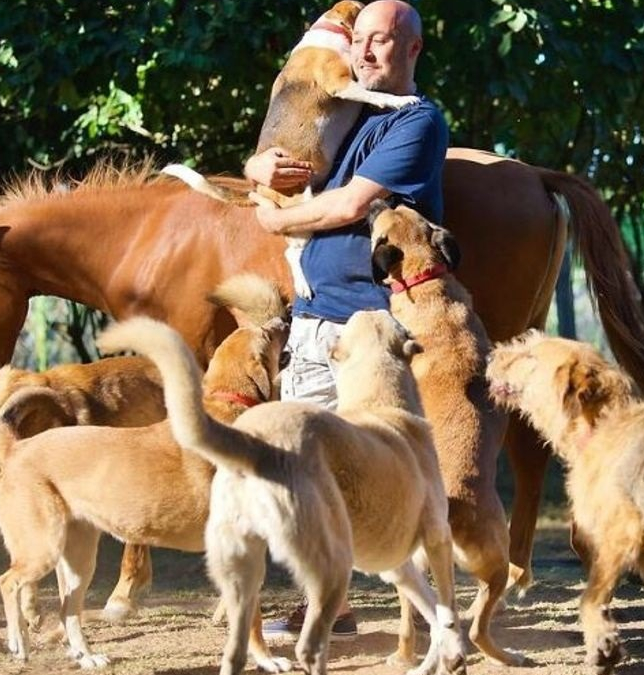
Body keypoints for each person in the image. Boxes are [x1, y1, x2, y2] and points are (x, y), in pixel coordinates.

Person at [244, 0, 448, 640]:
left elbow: (353, 204)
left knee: (392, 474)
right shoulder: (344, 110)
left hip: (372, 329)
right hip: (311, 323)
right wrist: (259, 168)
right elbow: (277, 154)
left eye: (381, 42)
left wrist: (275, 219)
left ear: (412, 49)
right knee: (306, 472)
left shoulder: (415, 122)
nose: (364, 52)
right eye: (359, 40)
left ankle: (419, 624)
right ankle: (325, 605)